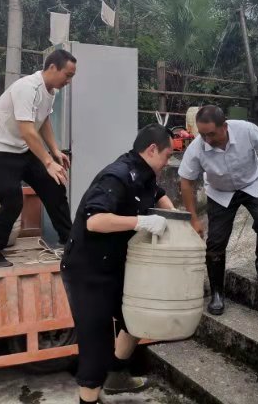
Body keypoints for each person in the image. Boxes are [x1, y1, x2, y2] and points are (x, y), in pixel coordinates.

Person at [60, 124, 176, 403]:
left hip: (114, 266)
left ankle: (116, 375)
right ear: (151, 150)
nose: (168, 161)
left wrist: (176, 219)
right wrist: (142, 221)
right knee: (95, 346)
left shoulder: (145, 174)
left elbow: (157, 193)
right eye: (168, 155)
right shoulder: (117, 175)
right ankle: (89, 397)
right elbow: (95, 221)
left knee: (135, 320)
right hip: (87, 271)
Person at [179, 105, 258, 316]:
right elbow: (186, 182)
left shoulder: (246, 130)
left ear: (225, 127)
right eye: (202, 134)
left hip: (252, 183)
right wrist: (193, 218)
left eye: (211, 133)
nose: (207, 139)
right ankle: (218, 292)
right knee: (216, 243)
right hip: (220, 192)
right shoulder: (197, 148)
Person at [0, 50, 76, 268]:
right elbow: (27, 130)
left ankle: (70, 243)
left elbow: (43, 121)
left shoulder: (50, 90)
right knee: (12, 201)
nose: (69, 81)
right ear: (52, 68)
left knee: (54, 184)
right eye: (67, 75)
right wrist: (47, 162)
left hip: (23, 149)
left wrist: (55, 151)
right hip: (0, 149)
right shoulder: (26, 88)